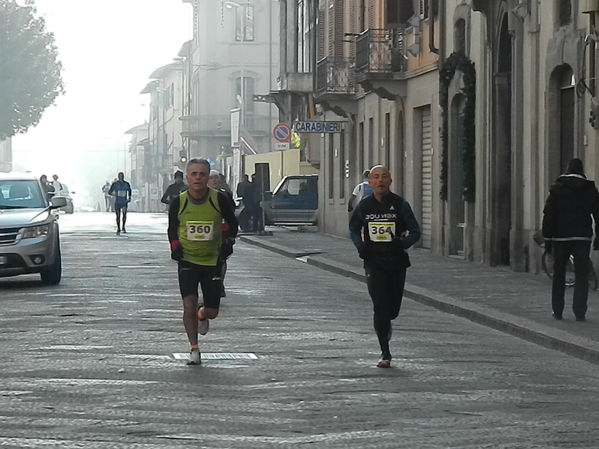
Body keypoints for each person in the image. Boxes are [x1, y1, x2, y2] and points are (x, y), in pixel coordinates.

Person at [168, 159, 238, 365]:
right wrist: (175, 247)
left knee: (212, 312)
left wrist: (228, 241)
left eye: (202, 174)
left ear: (208, 178)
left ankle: (202, 314)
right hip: (188, 259)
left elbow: (232, 223)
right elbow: (172, 228)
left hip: (212, 260)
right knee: (188, 304)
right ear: (188, 178)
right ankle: (194, 349)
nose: (198, 178)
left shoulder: (219, 199)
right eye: (194, 174)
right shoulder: (179, 201)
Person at [349, 165, 420, 368]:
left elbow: (415, 231)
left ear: (390, 181)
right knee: (379, 305)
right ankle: (385, 352)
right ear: (370, 182)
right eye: (376, 177)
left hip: (396, 262)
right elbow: (353, 229)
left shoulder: (400, 205)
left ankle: (387, 322)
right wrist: (360, 246)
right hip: (373, 261)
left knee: (392, 310)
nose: (380, 181)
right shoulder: (364, 206)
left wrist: (403, 243)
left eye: (384, 177)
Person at [542, 158, 599, 322]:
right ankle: (580, 311)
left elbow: (549, 215)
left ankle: (557, 310)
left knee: (558, 274)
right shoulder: (589, 189)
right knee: (582, 274)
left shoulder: (557, 188)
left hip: (560, 237)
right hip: (582, 237)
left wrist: (548, 238)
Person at [208, 170, 236, 297]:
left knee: (222, 259)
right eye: (211, 178)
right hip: (206, 234)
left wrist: (231, 234)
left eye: (216, 178)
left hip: (222, 232)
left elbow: (231, 214)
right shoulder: (197, 195)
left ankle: (220, 284)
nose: (214, 180)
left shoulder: (224, 195)